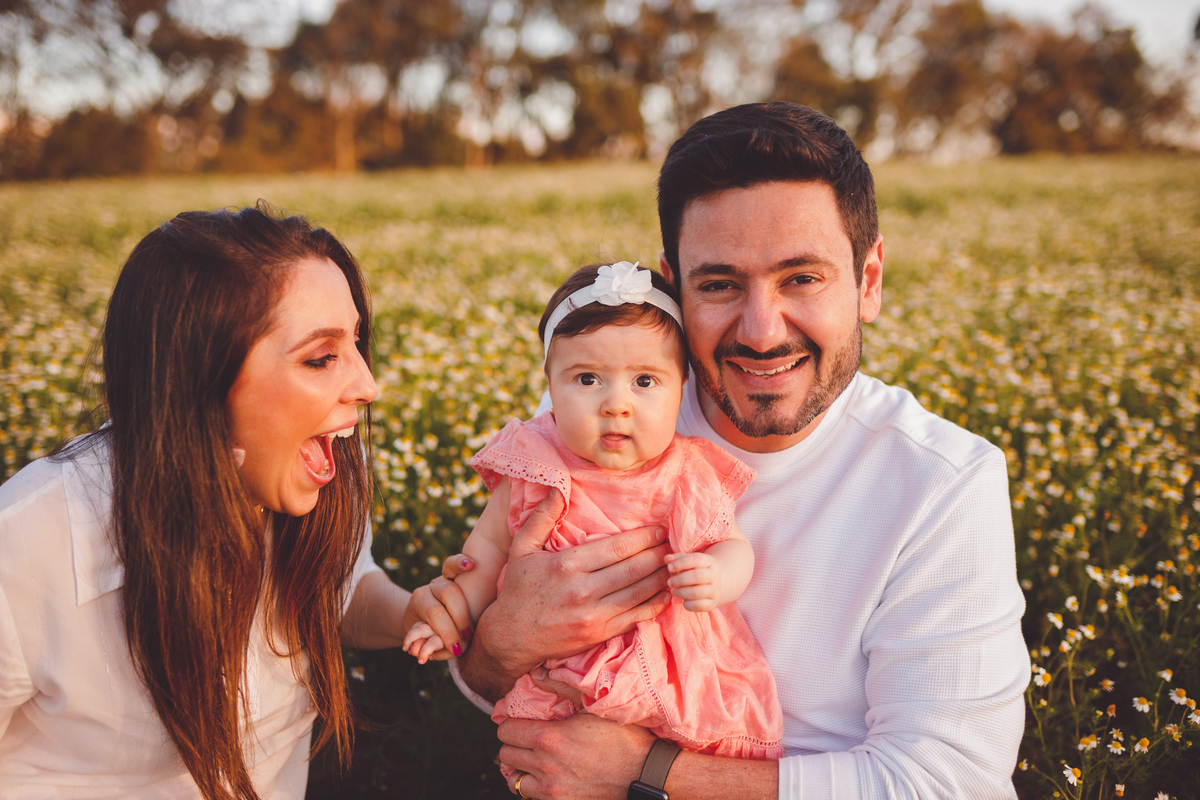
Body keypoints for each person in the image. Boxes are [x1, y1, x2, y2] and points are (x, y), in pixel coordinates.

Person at [429, 102, 1030, 799]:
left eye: (801, 278)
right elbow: (488, 680)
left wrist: (646, 774)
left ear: (869, 281)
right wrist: (499, 645)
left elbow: (946, 784)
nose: (762, 330)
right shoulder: (595, 425)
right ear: (671, 289)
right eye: (718, 284)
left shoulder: (942, 484)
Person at [0, 203, 462, 799]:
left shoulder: (323, 466)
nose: (367, 386)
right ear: (199, 379)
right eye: (321, 358)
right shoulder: (26, 542)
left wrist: (408, 614)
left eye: (355, 344)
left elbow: (339, 589)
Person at [403, 261, 783, 769]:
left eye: (645, 381)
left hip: (665, 667)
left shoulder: (685, 474)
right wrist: (455, 617)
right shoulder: (532, 466)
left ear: (682, 387)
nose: (616, 405)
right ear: (550, 384)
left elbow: (732, 544)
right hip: (553, 678)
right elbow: (488, 553)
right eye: (587, 379)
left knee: (666, 751)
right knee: (550, 765)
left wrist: (717, 575)